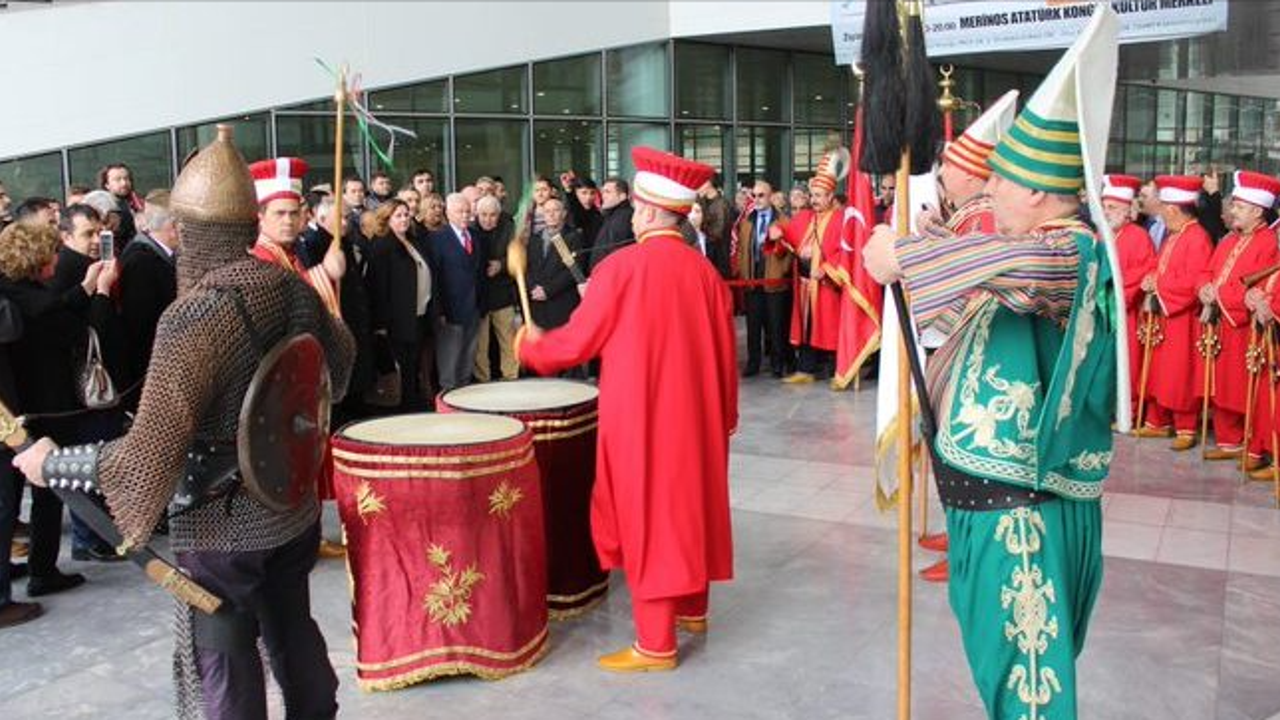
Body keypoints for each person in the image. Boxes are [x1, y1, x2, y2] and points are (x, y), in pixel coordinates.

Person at [13, 126, 354, 720]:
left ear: (191, 233)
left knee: (224, 663)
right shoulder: (288, 285)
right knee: (292, 631)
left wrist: (53, 464)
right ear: (249, 225)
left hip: (222, 526)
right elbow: (341, 370)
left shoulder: (193, 317)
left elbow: (148, 454)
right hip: (288, 505)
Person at [863, 10, 1120, 717]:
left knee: (1030, 699)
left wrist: (904, 255)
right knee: (1007, 688)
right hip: (993, 509)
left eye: (998, 183)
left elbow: (1020, 263)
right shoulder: (1022, 251)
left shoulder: (1069, 253)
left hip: (1024, 521)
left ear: (1037, 193)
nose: (986, 195)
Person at [517, 146, 737, 672]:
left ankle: (655, 643)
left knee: (649, 517)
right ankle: (692, 611)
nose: (634, 217)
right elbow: (729, 356)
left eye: (637, 208)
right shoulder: (706, 274)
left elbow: (576, 345)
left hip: (642, 420)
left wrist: (533, 344)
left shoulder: (622, 268)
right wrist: (724, 417)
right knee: (690, 509)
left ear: (649, 213)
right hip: (698, 420)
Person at [908, 90, 1019, 585]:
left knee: (963, 453)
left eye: (949, 166)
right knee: (949, 450)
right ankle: (958, 530)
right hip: (953, 346)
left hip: (969, 352)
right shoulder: (969, 213)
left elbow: (970, 285)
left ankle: (967, 549)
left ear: (971, 174)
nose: (941, 172)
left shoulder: (985, 215)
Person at [1198, 171, 1280, 463]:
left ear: (1258, 211)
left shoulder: (1268, 242)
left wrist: (1221, 296)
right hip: (1219, 321)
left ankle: (1253, 444)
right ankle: (1228, 441)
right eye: (1233, 205)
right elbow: (1208, 271)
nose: (1231, 211)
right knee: (1219, 384)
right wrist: (1204, 288)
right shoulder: (1228, 239)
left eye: (1239, 207)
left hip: (1244, 326)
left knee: (1245, 387)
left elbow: (1260, 285)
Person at [1135, 175, 1214, 449]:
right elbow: (1161, 267)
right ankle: (1158, 421)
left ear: (1173, 209)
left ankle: (1185, 427)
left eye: (1163, 207)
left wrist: (1159, 284)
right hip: (1164, 315)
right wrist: (1150, 277)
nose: (1160, 212)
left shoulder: (1197, 237)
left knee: (1180, 374)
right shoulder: (1175, 235)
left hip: (1182, 319)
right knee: (1159, 370)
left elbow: (1193, 281)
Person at [777, 154, 845, 384]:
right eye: (812, 195)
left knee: (830, 329)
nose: (813, 200)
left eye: (818, 196)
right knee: (807, 328)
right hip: (805, 285)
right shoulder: (805, 216)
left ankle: (839, 371)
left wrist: (826, 268)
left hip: (826, 284)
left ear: (830, 196)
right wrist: (775, 232)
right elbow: (786, 232)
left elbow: (845, 252)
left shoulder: (839, 219)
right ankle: (806, 370)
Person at [1099, 175, 1157, 423]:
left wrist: (1112, 288)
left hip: (1125, 313)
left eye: (1111, 207)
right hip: (1101, 311)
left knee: (1128, 362)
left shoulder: (1138, 236)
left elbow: (1144, 270)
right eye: (1104, 206)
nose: (1106, 212)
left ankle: (1128, 412)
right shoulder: (1101, 235)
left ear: (1126, 211)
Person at [427, 193, 485, 392]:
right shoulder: (436, 239)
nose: (465, 216)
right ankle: (447, 403)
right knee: (449, 364)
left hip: (474, 309)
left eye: (468, 211)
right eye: (460, 212)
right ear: (448, 213)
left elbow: (479, 273)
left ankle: (464, 400)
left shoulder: (475, 236)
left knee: (467, 362)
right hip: (450, 312)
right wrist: (439, 310)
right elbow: (434, 279)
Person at [736, 180, 793, 377]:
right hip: (752, 280)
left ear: (770, 196)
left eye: (761, 195)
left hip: (775, 280)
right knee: (753, 325)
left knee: (776, 325)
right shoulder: (746, 222)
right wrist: (744, 275)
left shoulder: (783, 221)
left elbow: (789, 251)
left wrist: (781, 272)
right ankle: (753, 363)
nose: (757, 199)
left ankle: (778, 364)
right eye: (754, 195)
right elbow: (742, 251)